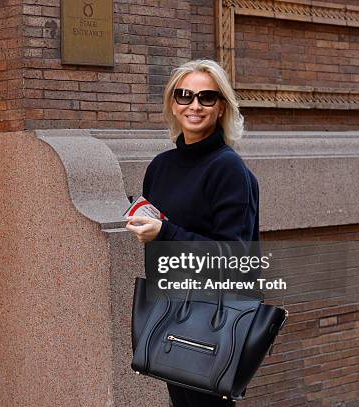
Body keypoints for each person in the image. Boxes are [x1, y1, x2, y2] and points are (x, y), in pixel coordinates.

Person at [125, 59, 259, 406]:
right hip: (172, 314)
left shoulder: (227, 168)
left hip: (212, 323)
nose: (194, 105)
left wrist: (165, 233)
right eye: (184, 95)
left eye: (206, 97)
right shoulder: (160, 167)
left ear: (221, 108)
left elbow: (235, 258)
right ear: (172, 104)